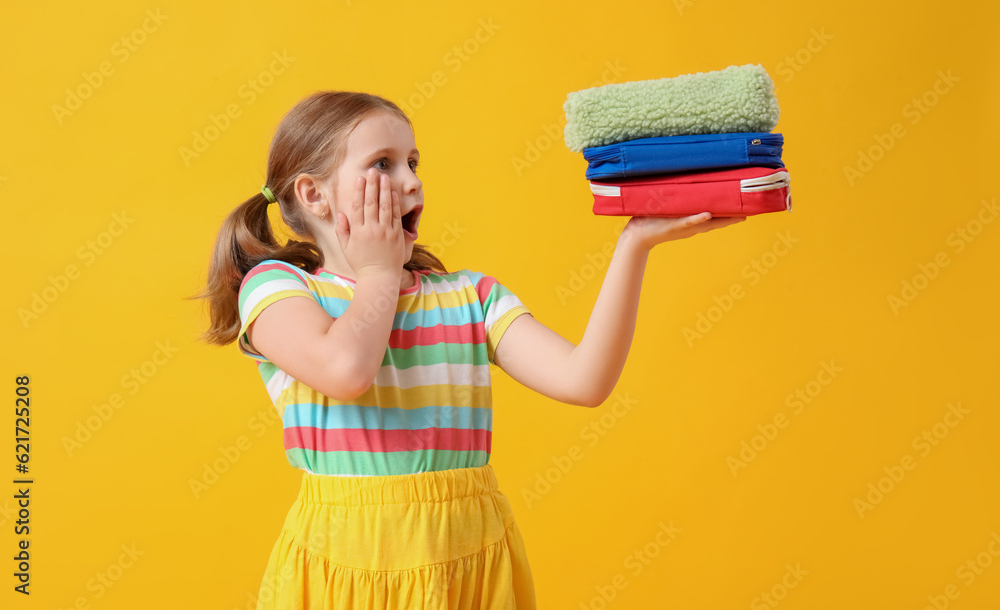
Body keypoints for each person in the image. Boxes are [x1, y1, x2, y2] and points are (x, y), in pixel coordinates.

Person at [194, 90, 745, 609]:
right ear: (313, 194)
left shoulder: (470, 297)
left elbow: (584, 381)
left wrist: (635, 244)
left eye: (413, 162)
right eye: (382, 164)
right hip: (348, 564)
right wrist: (379, 270)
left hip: (474, 560)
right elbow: (345, 370)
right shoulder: (276, 288)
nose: (410, 181)